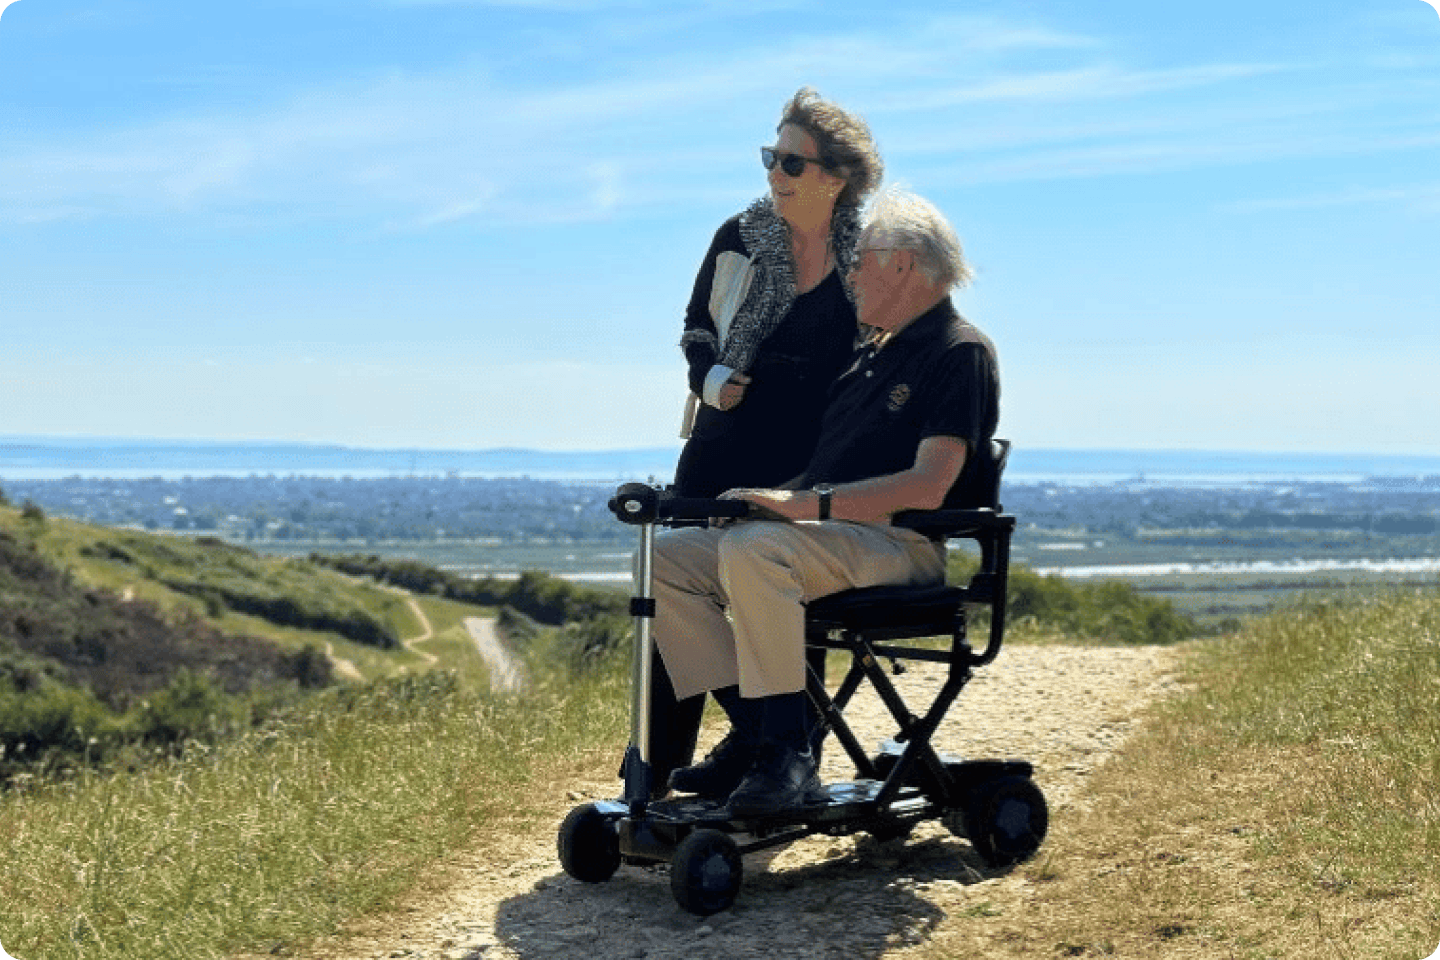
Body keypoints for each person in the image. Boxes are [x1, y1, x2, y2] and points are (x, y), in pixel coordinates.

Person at [651, 186, 999, 816]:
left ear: (902, 263)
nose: (851, 274)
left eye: (861, 260)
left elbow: (928, 485)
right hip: (837, 541)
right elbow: (821, 473)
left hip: (901, 546)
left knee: (759, 551)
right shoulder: (871, 354)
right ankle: (759, 735)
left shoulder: (958, 350)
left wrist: (799, 507)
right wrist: (764, 498)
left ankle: (787, 755)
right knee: (670, 559)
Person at [640, 87, 884, 791]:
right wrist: (712, 379)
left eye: (791, 161)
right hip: (721, 444)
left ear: (834, 177)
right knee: (672, 596)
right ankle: (683, 765)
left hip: (805, 461)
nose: (774, 172)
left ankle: (781, 763)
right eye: (770, 157)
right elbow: (694, 325)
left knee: (790, 608)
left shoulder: (866, 256)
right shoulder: (739, 236)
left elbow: (874, 363)